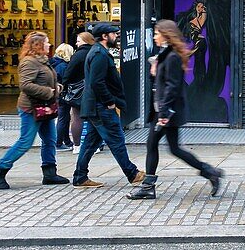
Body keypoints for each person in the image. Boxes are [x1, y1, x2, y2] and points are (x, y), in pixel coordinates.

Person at [127, 20, 224, 200]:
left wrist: (163, 113)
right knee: (172, 148)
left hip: (166, 110)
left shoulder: (172, 56)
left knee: (156, 145)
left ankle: (148, 186)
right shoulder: (166, 54)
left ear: (166, 34)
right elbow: (160, 82)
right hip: (164, 109)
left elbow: (173, 86)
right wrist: (154, 70)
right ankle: (210, 172)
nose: (155, 36)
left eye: (157, 33)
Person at [0, 31, 71, 189]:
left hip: (45, 107)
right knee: (25, 141)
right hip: (31, 108)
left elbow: (44, 79)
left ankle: (50, 173)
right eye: (46, 42)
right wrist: (48, 91)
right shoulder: (29, 62)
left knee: (50, 140)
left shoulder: (43, 61)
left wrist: (55, 88)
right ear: (37, 45)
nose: (49, 45)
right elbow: (25, 85)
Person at [72, 23, 144, 188]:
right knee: (117, 139)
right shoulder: (99, 54)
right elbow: (97, 82)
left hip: (96, 107)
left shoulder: (100, 52)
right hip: (101, 107)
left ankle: (80, 177)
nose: (116, 36)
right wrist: (110, 102)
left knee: (90, 143)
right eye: (113, 34)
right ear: (105, 36)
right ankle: (132, 173)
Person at [63, 32, 102, 154]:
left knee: (77, 118)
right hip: (94, 90)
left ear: (85, 41)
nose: (76, 43)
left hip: (78, 91)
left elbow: (68, 74)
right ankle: (93, 146)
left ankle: (77, 146)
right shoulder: (97, 53)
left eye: (78, 41)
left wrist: (63, 87)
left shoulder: (78, 55)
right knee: (93, 118)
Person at [51, 43, 74, 150]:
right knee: (63, 118)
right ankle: (58, 143)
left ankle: (66, 141)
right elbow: (66, 81)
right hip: (63, 95)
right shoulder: (63, 66)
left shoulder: (55, 64)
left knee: (64, 117)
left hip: (58, 94)